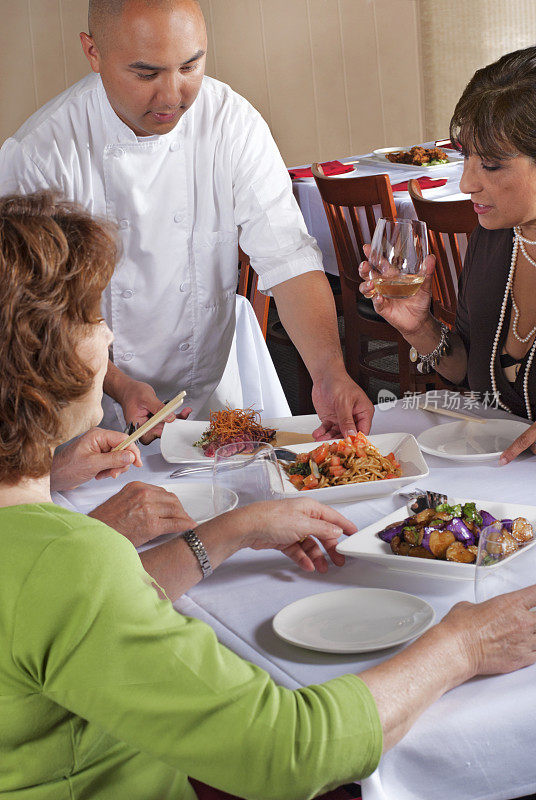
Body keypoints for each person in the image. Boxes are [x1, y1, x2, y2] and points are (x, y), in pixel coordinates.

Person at [3, 195, 536, 800]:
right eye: (94, 319)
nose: (109, 337)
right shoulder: (67, 561)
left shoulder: (44, 554)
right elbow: (290, 751)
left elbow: (70, 622)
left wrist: (236, 528)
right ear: (48, 360)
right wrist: (463, 645)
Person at [0, 0, 373, 443]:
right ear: (93, 52)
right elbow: (34, 317)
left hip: (205, 403)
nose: (173, 95)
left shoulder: (229, 122)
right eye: (146, 74)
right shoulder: (40, 154)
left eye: (190, 66)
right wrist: (118, 386)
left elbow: (288, 258)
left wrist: (328, 372)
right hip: (80, 416)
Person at [359, 46, 536, 464]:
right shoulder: (495, 238)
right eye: (465, 157)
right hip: (501, 477)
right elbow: (473, 374)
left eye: (491, 165)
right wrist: (420, 327)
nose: (467, 182)